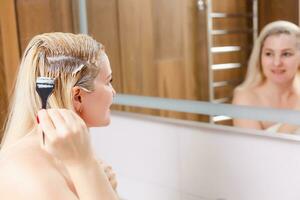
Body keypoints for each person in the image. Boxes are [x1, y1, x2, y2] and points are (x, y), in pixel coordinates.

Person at [0, 33, 119, 199]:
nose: (113, 92)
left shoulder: (68, 148)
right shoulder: (28, 173)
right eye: (108, 81)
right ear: (78, 96)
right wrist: (86, 167)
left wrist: (101, 183)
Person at [232, 20, 300, 133]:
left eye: (286, 54)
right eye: (269, 54)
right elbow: (257, 150)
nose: (277, 63)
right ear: (260, 57)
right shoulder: (245, 99)